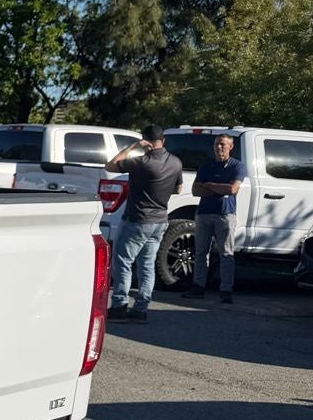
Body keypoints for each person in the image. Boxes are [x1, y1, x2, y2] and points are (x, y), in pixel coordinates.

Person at [105, 125, 183, 322]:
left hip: (138, 218)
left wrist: (132, 146)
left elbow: (111, 165)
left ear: (146, 141)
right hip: (160, 220)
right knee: (147, 264)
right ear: (163, 141)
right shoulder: (175, 162)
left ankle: (119, 305)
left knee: (123, 261)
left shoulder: (142, 162)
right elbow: (178, 189)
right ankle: (141, 309)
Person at [184, 133, 244, 303]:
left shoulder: (237, 166)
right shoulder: (206, 165)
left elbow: (232, 189)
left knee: (226, 253)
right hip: (204, 213)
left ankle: (226, 290)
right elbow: (196, 191)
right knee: (201, 252)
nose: (219, 147)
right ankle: (198, 287)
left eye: (222, 144)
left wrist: (209, 185)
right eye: (217, 144)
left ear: (231, 146)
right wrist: (220, 188)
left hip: (225, 214)